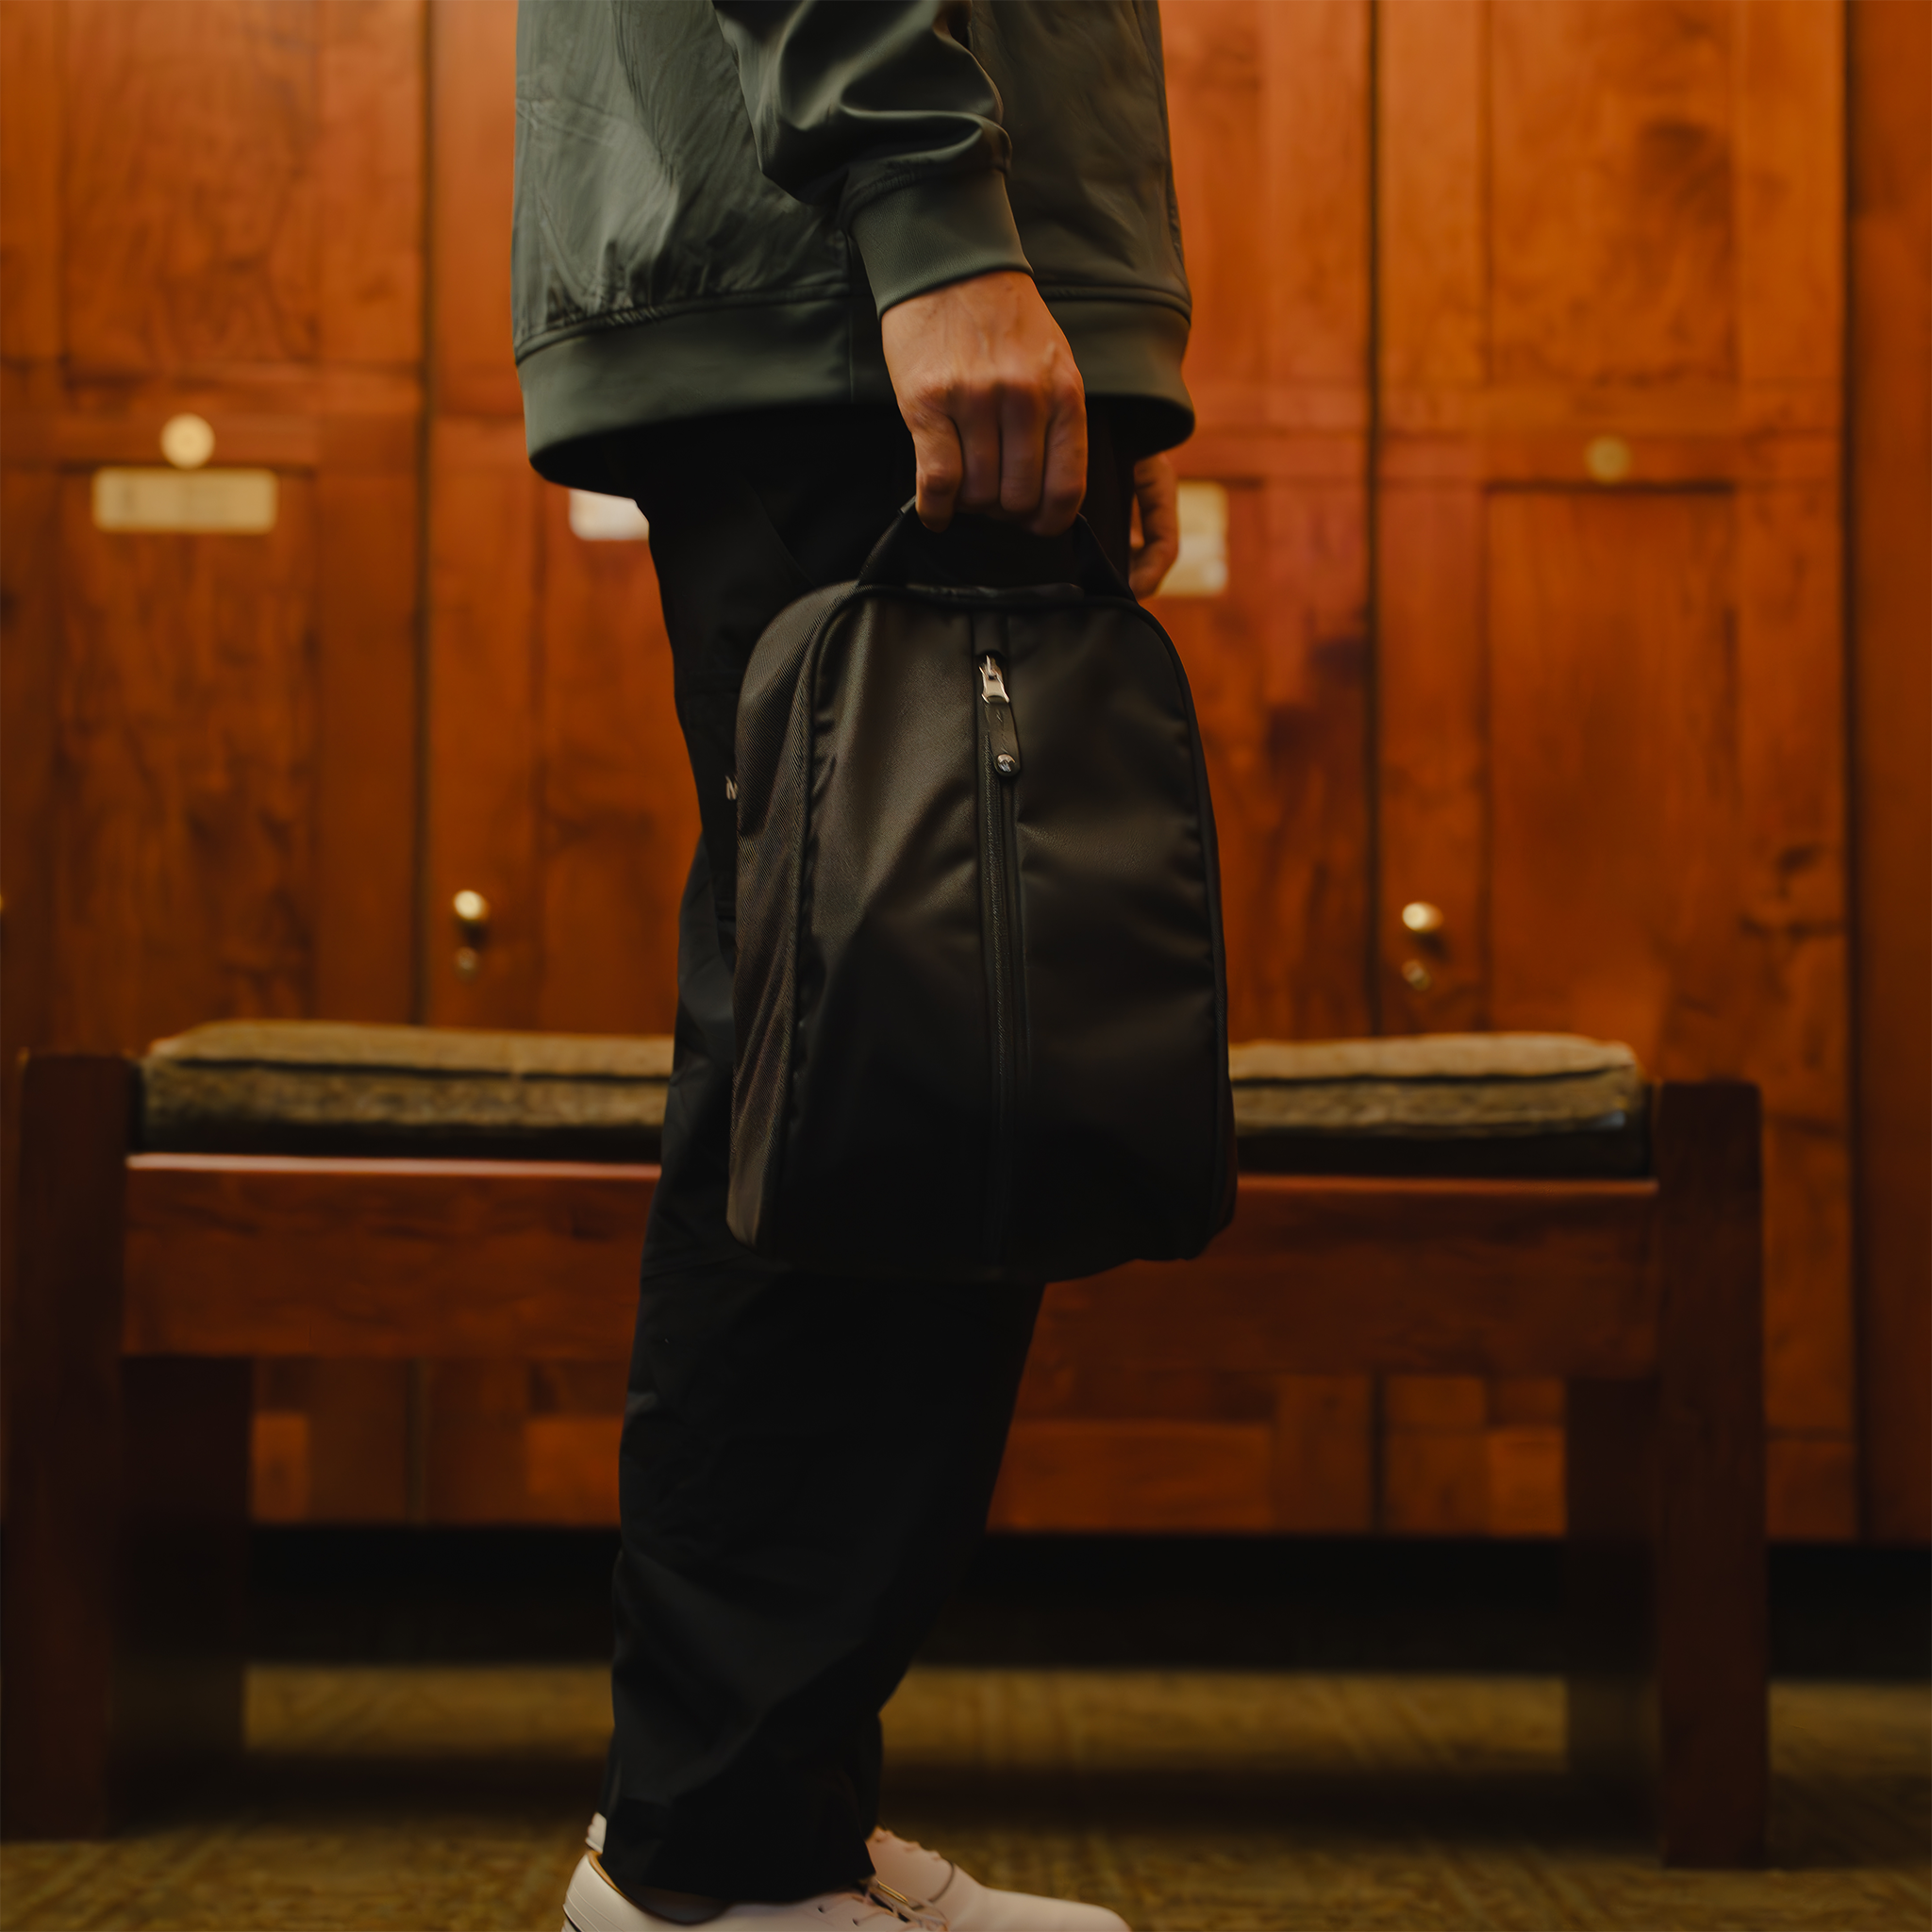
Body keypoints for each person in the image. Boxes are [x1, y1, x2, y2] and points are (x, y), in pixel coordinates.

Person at [512, 6, 1193, 1928]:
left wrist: (1097, 330)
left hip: (884, 269)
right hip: (843, 274)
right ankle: (711, 1855)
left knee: (901, 1045)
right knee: (870, 1051)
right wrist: (936, 221)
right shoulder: (899, 221)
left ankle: (761, 1816)